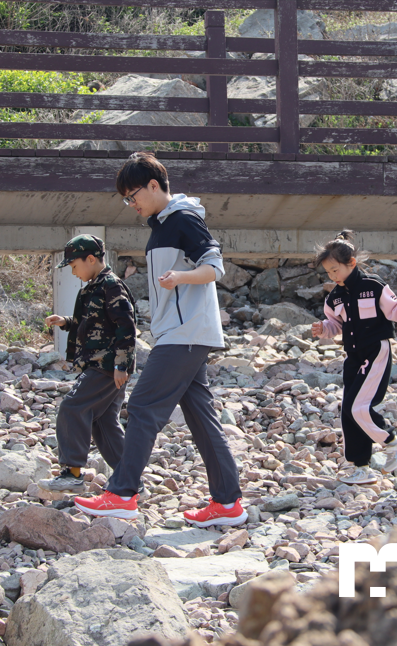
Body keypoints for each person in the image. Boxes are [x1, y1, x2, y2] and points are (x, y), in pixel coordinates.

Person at [74, 152, 246, 528]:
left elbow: (214, 266)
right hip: (181, 331)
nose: (130, 203)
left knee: (142, 406)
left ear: (154, 185)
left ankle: (122, 494)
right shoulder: (160, 225)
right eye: (126, 199)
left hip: (185, 333)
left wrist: (181, 277)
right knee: (200, 416)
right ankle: (228, 503)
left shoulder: (183, 218)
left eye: (132, 195)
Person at [311, 231, 397, 485]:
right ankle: (360, 467)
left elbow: (395, 311)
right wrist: (323, 329)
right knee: (348, 411)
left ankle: (394, 442)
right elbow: (335, 324)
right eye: (328, 272)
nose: (332, 276)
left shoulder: (373, 286)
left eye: (335, 270)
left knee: (359, 408)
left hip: (375, 351)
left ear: (351, 263)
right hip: (353, 355)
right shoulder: (334, 297)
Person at [38, 234, 137, 493]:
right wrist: (66, 322)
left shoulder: (111, 286)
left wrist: (121, 365)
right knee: (102, 422)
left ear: (91, 259)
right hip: (102, 365)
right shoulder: (92, 288)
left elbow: (126, 326)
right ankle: (131, 481)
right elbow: (91, 324)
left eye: (74, 266)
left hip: (106, 366)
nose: (73, 272)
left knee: (72, 407)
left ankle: (72, 472)